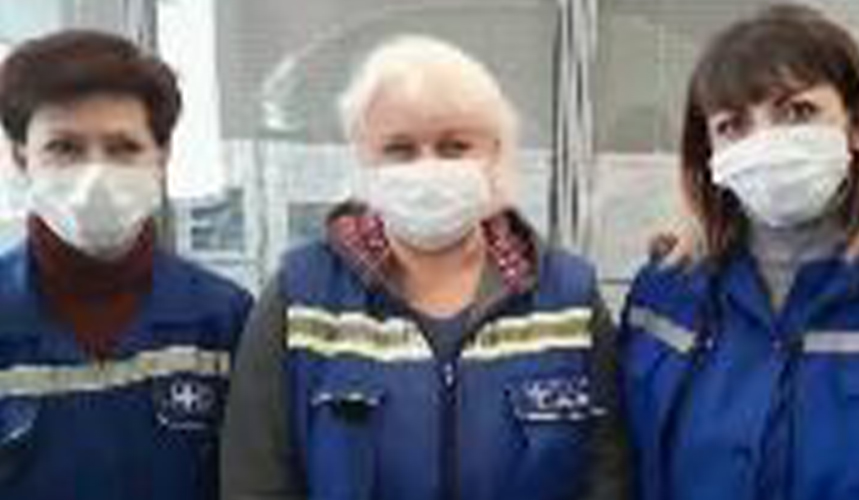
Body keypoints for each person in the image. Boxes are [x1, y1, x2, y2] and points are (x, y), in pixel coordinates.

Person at [221, 35, 621, 500]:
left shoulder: (569, 298)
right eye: (400, 149)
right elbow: (256, 480)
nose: (427, 168)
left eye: (454, 146)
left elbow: (608, 474)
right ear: (362, 158)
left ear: (495, 153)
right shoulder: (301, 299)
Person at [620, 4, 859, 500]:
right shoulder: (664, 296)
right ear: (709, 154)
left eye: (798, 112)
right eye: (732, 126)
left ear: (858, 126)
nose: (767, 143)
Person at [0, 30, 252, 499]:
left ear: (162, 156)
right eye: (65, 148)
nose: (95, 175)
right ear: (21, 158)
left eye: (123, 148)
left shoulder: (223, 319)